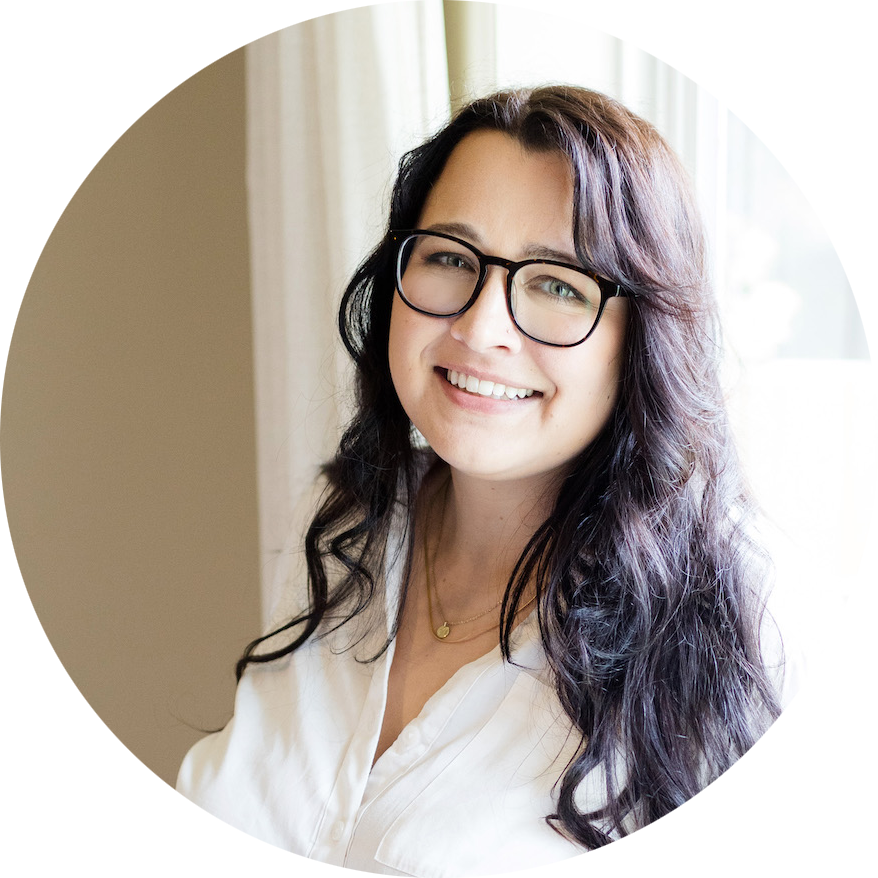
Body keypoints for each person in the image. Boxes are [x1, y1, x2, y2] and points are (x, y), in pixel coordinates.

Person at [159, 86, 805, 878]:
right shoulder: (347, 528)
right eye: (450, 259)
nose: (480, 328)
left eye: (559, 284)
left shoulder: (714, 628)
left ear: (642, 340)